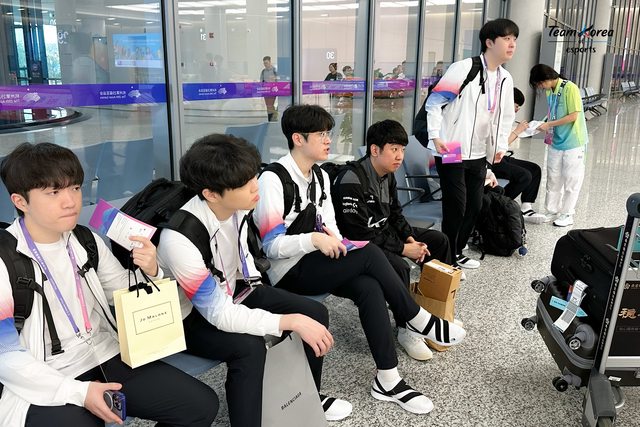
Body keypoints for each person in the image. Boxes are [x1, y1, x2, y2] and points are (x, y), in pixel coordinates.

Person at [253, 104, 466, 415]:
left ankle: (388, 379)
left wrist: (338, 244)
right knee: (369, 252)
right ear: (298, 138)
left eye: (328, 132)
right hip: (289, 270)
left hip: (319, 261)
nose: (329, 139)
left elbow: (332, 227)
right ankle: (416, 318)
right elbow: (271, 247)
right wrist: (314, 240)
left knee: (369, 287)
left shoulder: (319, 176)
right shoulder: (273, 179)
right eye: (321, 134)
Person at [0, 143, 218, 427]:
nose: (70, 201)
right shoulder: (5, 259)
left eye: (75, 188)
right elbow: (6, 356)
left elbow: (124, 294)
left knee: (200, 405)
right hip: (45, 373)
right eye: (54, 192)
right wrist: (79, 392)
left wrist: (152, 271)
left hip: (104, 353)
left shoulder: (85, 240)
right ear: (20, 201)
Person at [156, 134, 352, 426]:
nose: (255, 186)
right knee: (248, 347)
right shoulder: (179, 240)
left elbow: (241, 256)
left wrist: (278, 308)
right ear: (211, 194)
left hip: (233, 288)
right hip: (187, 316)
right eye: (243, 183)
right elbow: (218, 314)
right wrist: (288, 321)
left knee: (315, 312)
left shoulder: (237, 206)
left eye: (253, 176)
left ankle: (306, 395)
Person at [332, 119, 453, 361]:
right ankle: (406, 328)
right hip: (361, 245)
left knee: (439, 241)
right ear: (375, 150)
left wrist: (409, 238)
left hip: (384, 232)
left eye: (402, 150)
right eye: (394, 149)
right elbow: (359, 235)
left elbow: (395, 213)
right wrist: (403, 250)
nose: (400, 156)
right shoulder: (351, 181)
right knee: (399, 266)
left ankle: (434, 310)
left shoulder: (387, 175)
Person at [419, 18, 518, 269]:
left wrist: (499, 146)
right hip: (451, 147)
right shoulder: (464, 68)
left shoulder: (505, 78)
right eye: (507, 39)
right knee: (456, 205)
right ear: (489, 42)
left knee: (475, 205)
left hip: (478, 152)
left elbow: (505, 117)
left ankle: (457, 250)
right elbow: (434, 103)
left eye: (514, 40)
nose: (512, 44)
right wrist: (435, 136)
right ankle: (446, 259)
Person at [529, 64, 588, 227]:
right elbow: (553, 113)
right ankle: (552, 210)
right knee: (553, 178)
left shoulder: (570, 88)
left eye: (540, 83)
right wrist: (541, 124)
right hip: (556, 140)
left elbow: (573, 116)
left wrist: (549, 124)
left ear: (547, 78)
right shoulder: (550, 91)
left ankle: (567, 214)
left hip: (573, 142)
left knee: (571, 179)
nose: (541, 87)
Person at [490, 88, 546, 224]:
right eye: (516, 106)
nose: (517, 110)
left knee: (534, 169)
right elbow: (498, 146)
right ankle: (499, 205)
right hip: (490, 159)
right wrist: (517, 131)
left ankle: (526, 207)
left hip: (500, 157)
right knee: (524, 176)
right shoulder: (494, 117)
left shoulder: (505, 117)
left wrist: (525, 130)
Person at [260, 55, 278, 122]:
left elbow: (278, 79)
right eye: (264, 63)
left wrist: (274, 79)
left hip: (273, 90)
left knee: (270, 105)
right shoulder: (263, 71)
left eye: (266, 63)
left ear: (270, 62)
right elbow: (261, 81)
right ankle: (271, 119)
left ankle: (273, 118)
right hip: (266, 90)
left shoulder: (274, 70)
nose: (265, 65)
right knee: (268, 105)